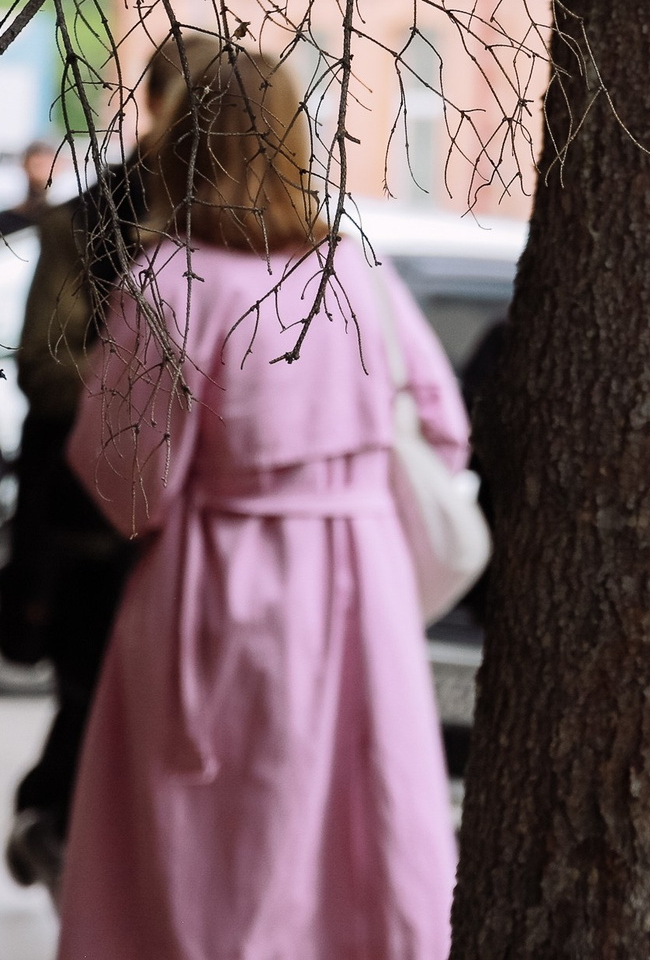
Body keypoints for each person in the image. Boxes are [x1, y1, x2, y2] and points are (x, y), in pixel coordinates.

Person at [57, 47, 468, 960]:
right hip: (364, 587)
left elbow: (130, 481)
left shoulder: (172, 282)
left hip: (225, 589)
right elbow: (440, 427)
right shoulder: (351, 269)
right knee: (353, 839)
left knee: (212, 855)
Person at [0, 33, 218, 895]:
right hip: (101, 522)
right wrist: (162, 385)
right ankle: (55, 827)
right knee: (94, 700)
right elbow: (49, 370)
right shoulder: (87, 220)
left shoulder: (244, 230)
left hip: (203, 530)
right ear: (158, 108)